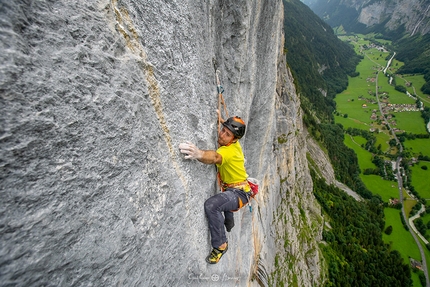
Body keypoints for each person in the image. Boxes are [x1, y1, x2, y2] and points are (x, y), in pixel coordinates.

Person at [179, 115, 251, 264]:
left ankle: (221, 245)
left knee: (212, 205)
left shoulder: (229, 151)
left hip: (239, 193)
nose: (222, 135)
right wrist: (221, 118)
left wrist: (198, 154)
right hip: (233, 189)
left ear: (234, 139)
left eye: (227, 134)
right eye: (223, 130)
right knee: (226, 206)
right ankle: (229, 222)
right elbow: (229, 130)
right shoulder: (234, 142)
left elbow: (215, 157)